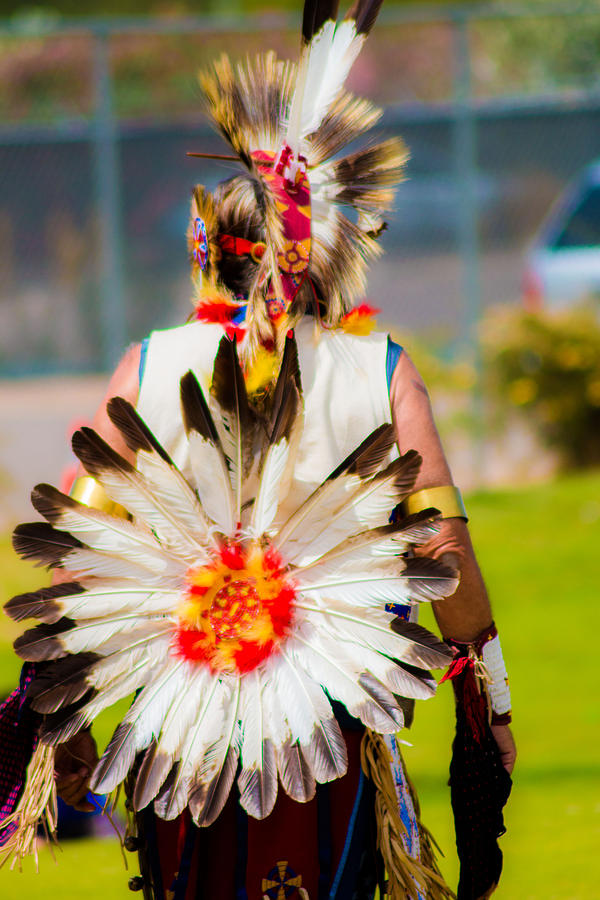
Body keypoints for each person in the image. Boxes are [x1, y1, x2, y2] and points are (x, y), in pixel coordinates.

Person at [1, 3, 514, 897]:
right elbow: (442, 543)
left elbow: (75, 560)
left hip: (178, 718)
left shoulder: (148, 365)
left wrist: (56, 711)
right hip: (328, 724)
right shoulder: (379, 371)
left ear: (208, 250)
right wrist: (486, 704)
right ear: (328, 254)